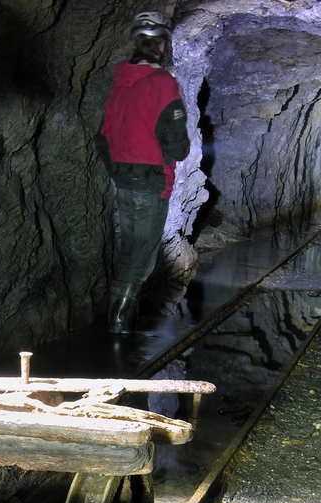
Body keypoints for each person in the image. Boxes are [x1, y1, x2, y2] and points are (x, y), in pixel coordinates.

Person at [95, 10, 190, 335]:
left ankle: (121, 324)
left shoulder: (120, 83)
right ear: (162, 46)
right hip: (151, 181)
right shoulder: (163, 84)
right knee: (143, 257)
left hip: (123, 179)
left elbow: (102, 138)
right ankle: (118, 325)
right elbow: (176, 144)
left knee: (129, 250)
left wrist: (120, 170)